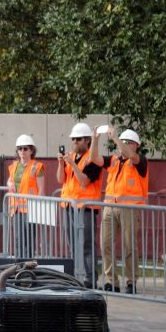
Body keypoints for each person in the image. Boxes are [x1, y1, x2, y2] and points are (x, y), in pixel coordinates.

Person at [92, 127, 148, 294]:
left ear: (136, 145)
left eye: (127, 142)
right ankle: (111, 281)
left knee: (130, 245)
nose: (123, 145)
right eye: (123, 142)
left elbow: (131, 155)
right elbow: (95, 159)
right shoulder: (114, 160)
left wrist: (116, 138)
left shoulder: (139, 160)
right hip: (109, 207)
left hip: (129, 209)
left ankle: (131, 282)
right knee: (106, 244)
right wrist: (95, 139)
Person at [56, 122, 103, 288]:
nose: (74, 142)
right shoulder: (70, 156)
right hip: (69, 206)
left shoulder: (94, 159)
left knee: (87, 245)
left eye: (78, 139)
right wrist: (61, 163)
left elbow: (84, 180)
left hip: (86, 208)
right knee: (73, 244)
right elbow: (60, 179)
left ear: (87, 140)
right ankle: (77, 275)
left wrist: (73, 165)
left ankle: (90, 279)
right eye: (73, 139)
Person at [6, 134, 45, 258]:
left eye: (25, 148)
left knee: (28, 241)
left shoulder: (37, 166)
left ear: (31, 150)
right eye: (20, 148)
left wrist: (38, 210)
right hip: (16, 209)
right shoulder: (14, 166)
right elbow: (10, 180)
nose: (22, 151)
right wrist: (9, 183)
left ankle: (27, 268)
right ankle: (19, 267)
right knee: (18, 241)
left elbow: (42, 189)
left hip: (30, 209)